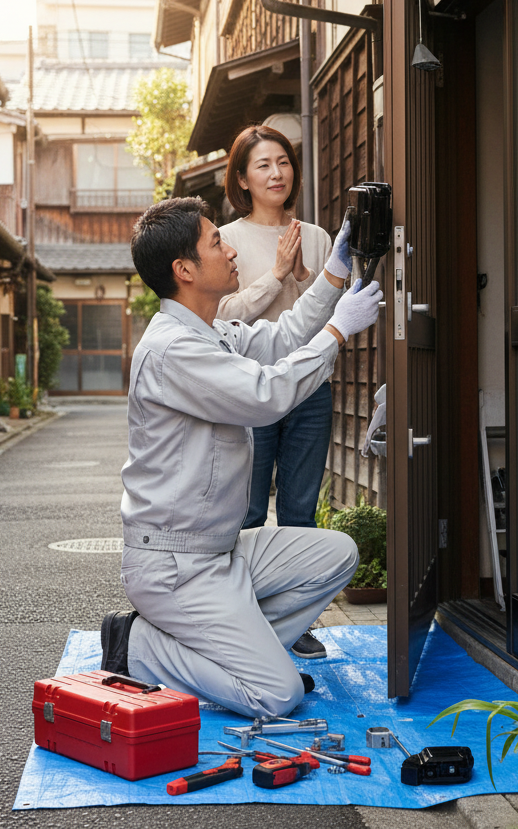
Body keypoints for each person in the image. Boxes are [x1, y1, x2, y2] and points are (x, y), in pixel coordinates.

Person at [102, 196, 382, 719]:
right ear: (183, 270)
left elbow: (285, 336)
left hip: (221, 552)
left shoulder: (211, 333)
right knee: (277, 696)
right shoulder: (172, 350)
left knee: (337, 554)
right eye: (215, 243)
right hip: (176, 566)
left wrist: (336, 269)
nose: (230, 250)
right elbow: (265, 396)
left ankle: (235, 656)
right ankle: (137, 648)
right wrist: (340, 330)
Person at [216, 124, 334, 661]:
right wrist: (276, 275)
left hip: (311, 385)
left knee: (301, 511)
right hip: (252, 387)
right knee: (245, 511)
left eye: (283, 162)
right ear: (242, 178)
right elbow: (221, 316)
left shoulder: (318, 236)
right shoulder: (228, 240)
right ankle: (241, 617)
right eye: (262, 165)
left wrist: (306, 277)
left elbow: (331, 314)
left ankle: (296, 622)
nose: (276, 173)